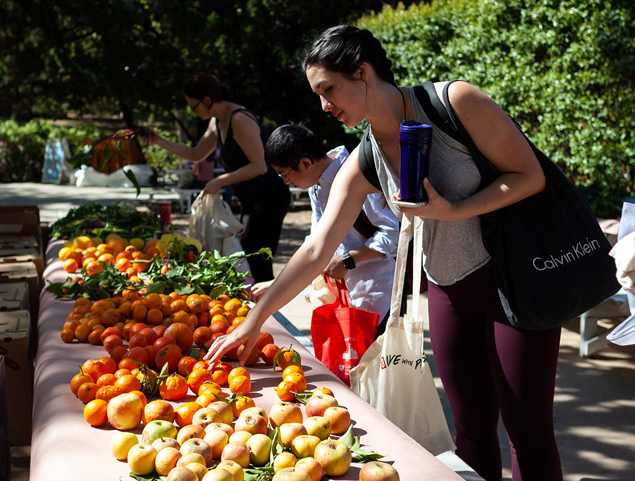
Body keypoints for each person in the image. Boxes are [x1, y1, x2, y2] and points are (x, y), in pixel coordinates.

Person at [206, 25, 562, 481]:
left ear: (363, 71)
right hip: (448, 289)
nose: (324, 105)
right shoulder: (365, 156)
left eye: (329, 89)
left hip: (514, 283)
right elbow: (317, 248)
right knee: (471, 430)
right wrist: (254, 321)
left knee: (527, 436)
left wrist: (454, 211)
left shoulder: (456, 102)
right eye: (318, 94)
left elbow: (528, 175)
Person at [251, 122, 398, 338]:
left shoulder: (357, 174)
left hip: (377, 294)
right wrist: (277, 285)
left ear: (305, 163)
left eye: (285, 175)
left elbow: (394, 233)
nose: (285, 182)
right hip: (341, 297)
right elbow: (315, 245)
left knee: (376, 369)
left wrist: (349, 259)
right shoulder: (317, 185)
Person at [141, 73, 291, 283]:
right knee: (246, 259)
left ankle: (267, 313)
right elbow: (195, 154)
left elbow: (259, 166)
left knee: (258, 262)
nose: (193, 112)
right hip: (251, 199)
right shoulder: (216, 122)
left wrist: (219, 181)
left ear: (207, 100)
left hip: (270, 197)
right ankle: (257, 310)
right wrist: (159, 141)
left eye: (194, 107)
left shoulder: (239, 119)